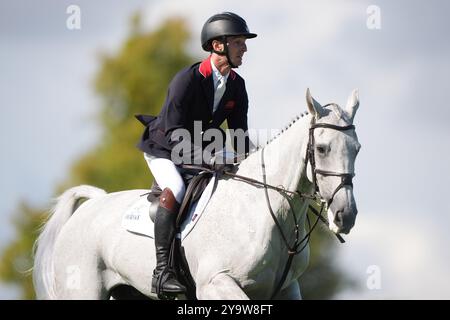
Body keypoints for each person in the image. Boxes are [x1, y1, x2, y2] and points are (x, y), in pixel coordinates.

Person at [135, 12, 257, 296]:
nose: (245, 49)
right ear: (218, 46)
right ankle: (162, 271)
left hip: (201, 148)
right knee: (175, 187)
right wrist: (210, 160)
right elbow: (176, 133)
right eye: (239, 42)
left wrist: (251, 163)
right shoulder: (187, 80)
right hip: (164, 148)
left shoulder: (237, 86)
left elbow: (240, 134)